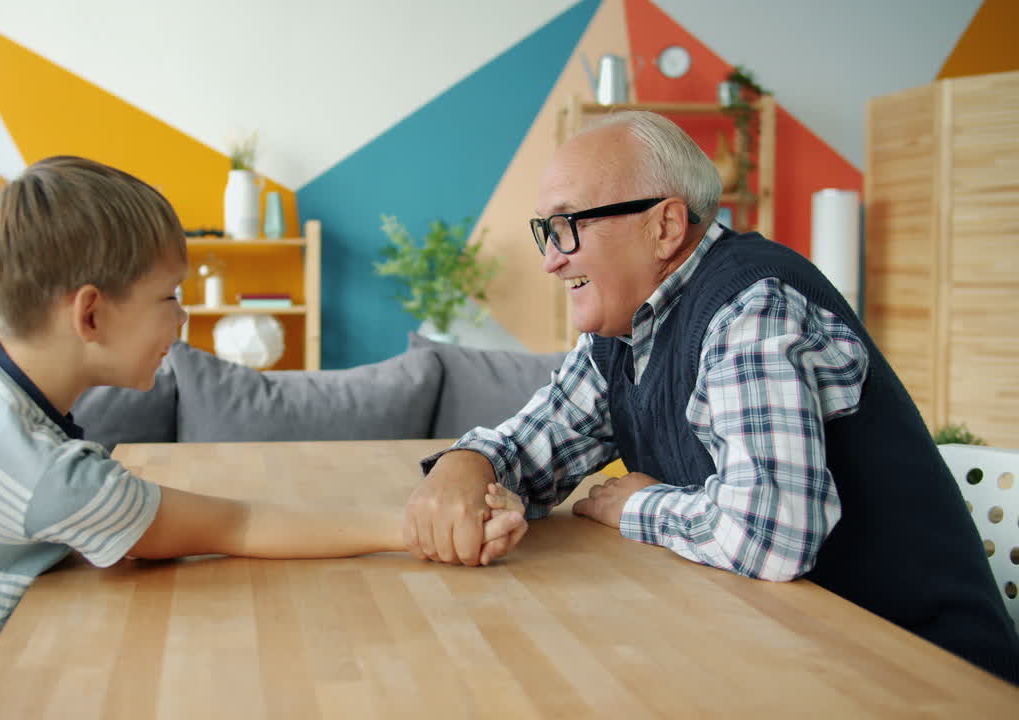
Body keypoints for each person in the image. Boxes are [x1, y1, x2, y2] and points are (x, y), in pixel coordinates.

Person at [0, 156, 527, 718]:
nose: (182, 321)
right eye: (168, 297)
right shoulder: (47, 478)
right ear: (89, 315)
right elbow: (238, 522)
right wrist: (413, 524)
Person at [403, 111, 1019, 684]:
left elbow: (771, 535)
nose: (551, 261)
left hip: (926, 672)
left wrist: (639, 507)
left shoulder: (751, 308)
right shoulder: (623, 330)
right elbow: (533, 448)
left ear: (665, 225)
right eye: (547, 232)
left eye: (570, 226)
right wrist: (467, 466)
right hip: (798, 654)